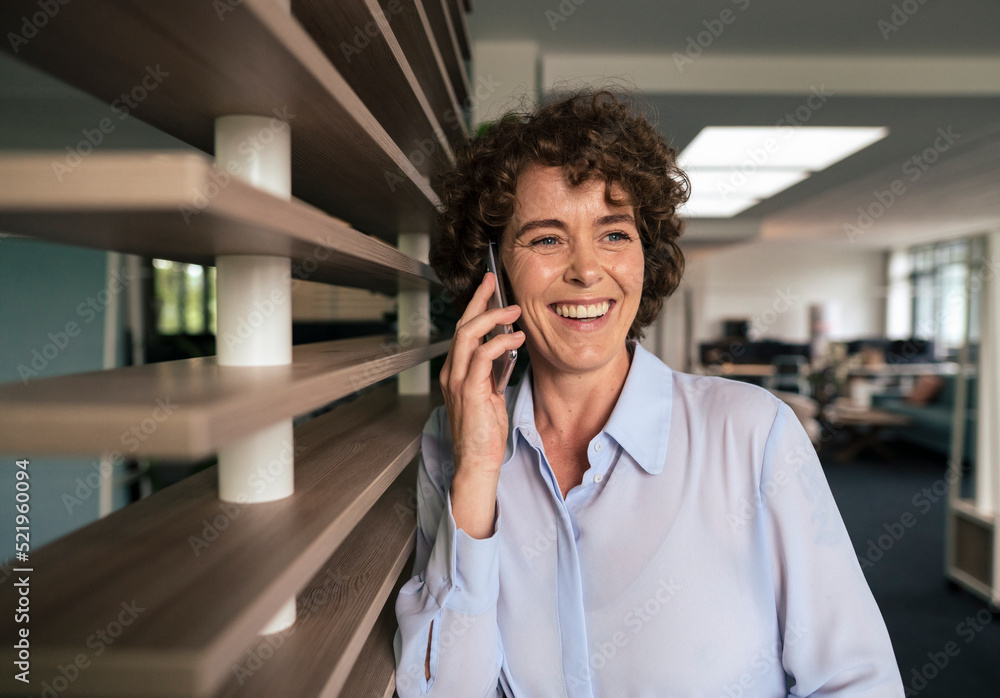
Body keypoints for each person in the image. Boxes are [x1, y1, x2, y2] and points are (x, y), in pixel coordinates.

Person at [393, 90, 904, 697]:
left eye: (613, 235)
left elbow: (858, 681)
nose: (587, 270)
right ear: (493, 271)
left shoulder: (752, 433)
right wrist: (477, 470)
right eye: (547, 239)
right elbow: (443, 690)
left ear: (645, 254)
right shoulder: (450, 446)